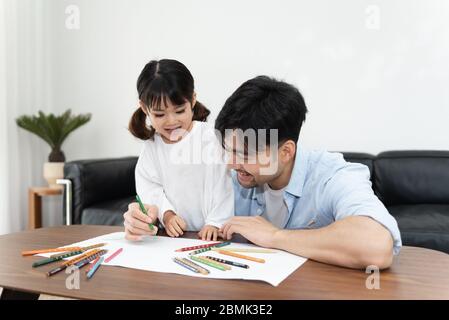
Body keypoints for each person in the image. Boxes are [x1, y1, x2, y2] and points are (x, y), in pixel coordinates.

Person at [214, 76, 402, 269]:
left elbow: (376, 247)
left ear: (286, 151)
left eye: (245, 155)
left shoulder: (332, 176)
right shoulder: (233, 174)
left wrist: (275, 236)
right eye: (229, 150)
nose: (231, 163)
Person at [124, 59, 233, 241]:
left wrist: (215, 222)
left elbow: (223, 185)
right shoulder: (152, 148)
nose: (171, 121)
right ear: (144, 108)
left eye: (179, 111)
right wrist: (167, 215)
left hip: (212, 235)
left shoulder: (211, 138)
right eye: (159, 114)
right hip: (174, 239)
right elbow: (149, 188)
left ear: (192, 100)